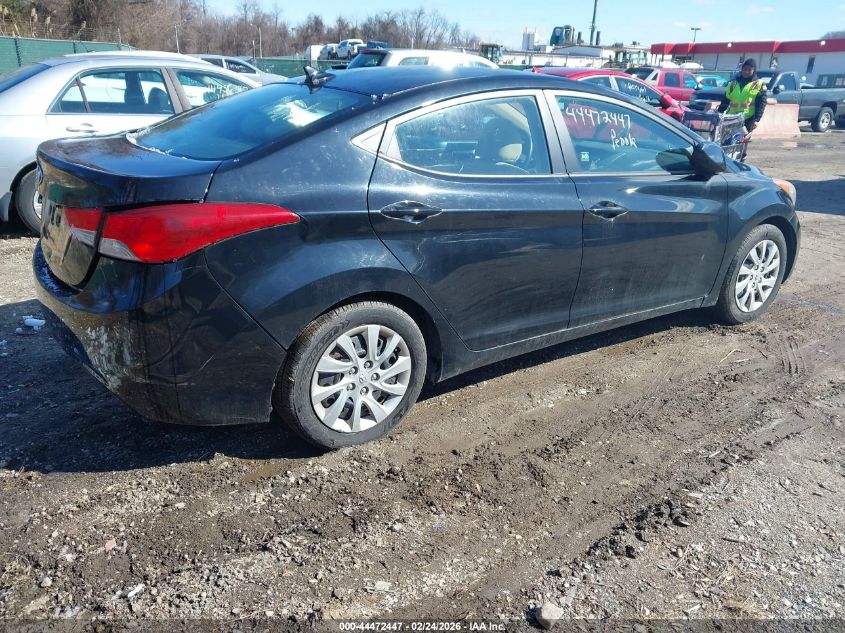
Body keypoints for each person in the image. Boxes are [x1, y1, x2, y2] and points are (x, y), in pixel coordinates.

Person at [718, 58, 768, 134]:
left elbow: (761, 104)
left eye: (749, 70)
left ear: (754, 70)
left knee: (741, 140)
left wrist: (757, 120)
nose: (746, 72)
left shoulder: (759, 84)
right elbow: (725, 101)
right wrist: (719, 114)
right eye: (745, 69)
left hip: (747, 119)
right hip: (731, 118)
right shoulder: (733, 83)